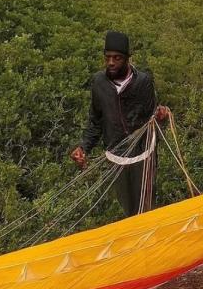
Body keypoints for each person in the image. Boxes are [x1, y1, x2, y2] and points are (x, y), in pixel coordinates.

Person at [71, 31, 169, 217]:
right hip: (115, 157)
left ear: (127, 59)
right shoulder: (99, 83)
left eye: (117, 58)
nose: (111, 63)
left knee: (146, 209)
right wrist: (84, 147)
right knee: (125, 211)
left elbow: (151, 120)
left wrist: (161, 118)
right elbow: (95, 120)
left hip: (143, 156)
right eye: (107, 58)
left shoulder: (143, 82)